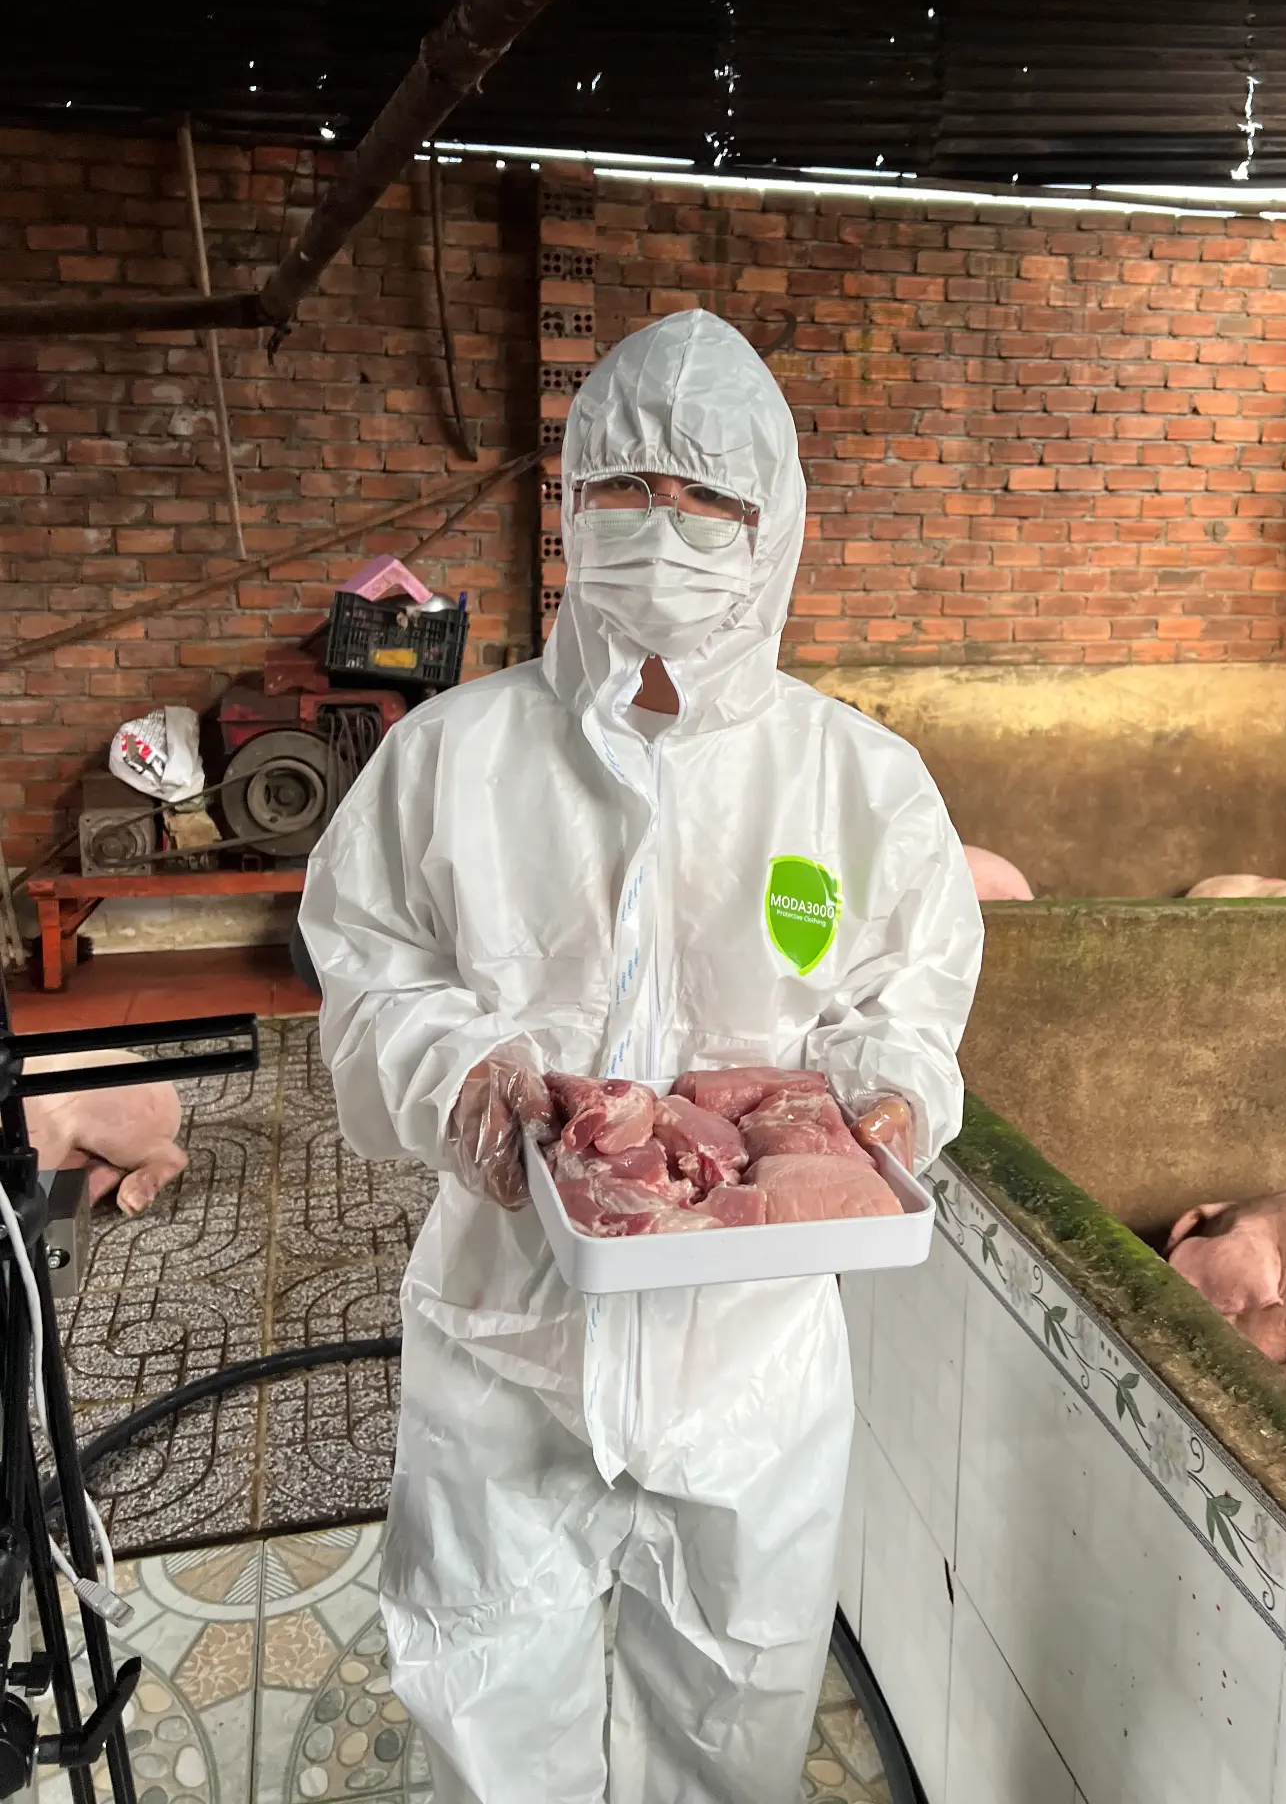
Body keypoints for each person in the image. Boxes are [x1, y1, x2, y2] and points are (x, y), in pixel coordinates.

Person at [299, 307, 983, 1804]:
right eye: (626, 491)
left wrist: (880, 1101)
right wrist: (462, 1076)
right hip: (505, 1338)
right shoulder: (452, 757)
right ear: (570, 508)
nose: (663, 532)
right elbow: (366, 974)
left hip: (751, 1362)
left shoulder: (858, 782)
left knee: (737, 1713)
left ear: (773, 526)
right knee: (487, 1705)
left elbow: (909, 996)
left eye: (708, 501)